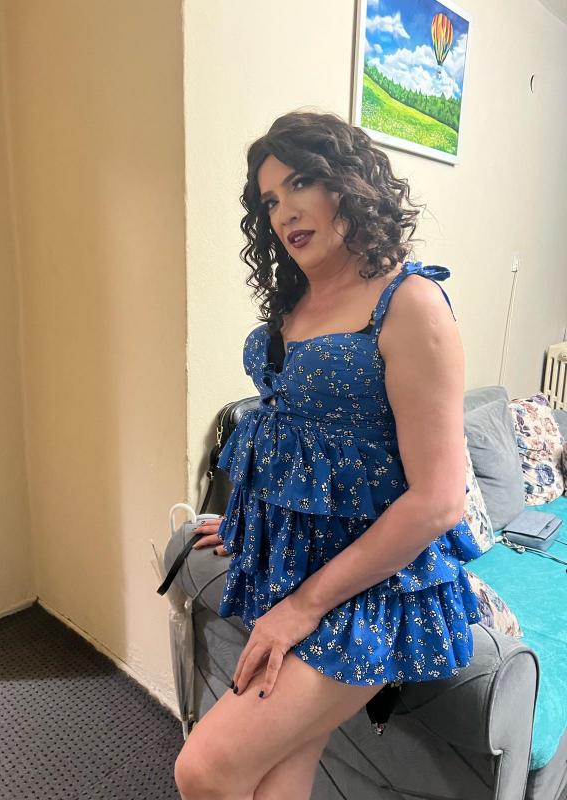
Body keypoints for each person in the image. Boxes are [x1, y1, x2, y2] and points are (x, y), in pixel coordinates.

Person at [174, 109, 484, 800]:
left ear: (349, 182)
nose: (284, 212)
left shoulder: (411, 304)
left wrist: (303, 607)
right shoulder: (297, 302)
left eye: (300, 183)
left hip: (381, 587)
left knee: (204, 767)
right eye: (269, 201)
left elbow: (439, 500)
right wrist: (247, 524)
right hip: (296, 563)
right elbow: (293, 443)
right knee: (278, 773)